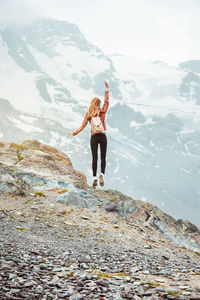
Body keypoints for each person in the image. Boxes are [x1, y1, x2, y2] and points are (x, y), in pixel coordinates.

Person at [69, 81, 109, 188]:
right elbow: (107, 102)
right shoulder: (102, 112)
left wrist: (74, 133)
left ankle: (95, 177)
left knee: (94, 158)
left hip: (94, 137)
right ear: (99, 104)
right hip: (102, 135)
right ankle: (102, 175)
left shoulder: (88, 114)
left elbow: (82, 126)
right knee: (103, 157)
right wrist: (107, 90)